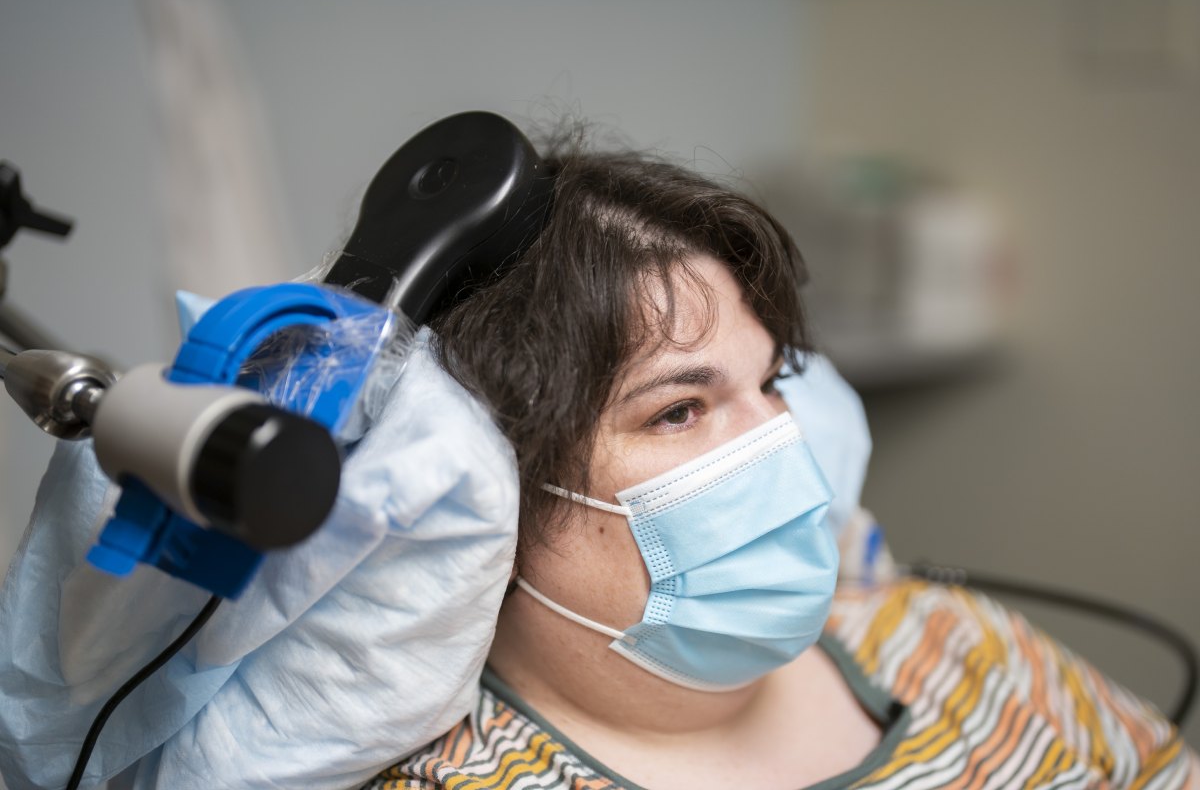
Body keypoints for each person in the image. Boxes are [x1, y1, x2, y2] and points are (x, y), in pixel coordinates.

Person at [363, 146, 1199, 789]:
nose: (778, 444)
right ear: (490, 491)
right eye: (678, 410)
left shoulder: (950, 638)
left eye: (770, 383)